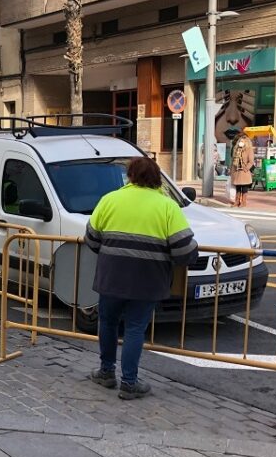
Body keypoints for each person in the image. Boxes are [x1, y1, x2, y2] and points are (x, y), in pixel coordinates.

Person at [85, 157, 199, 400]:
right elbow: (184, 251)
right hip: (148, 279)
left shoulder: (110, 200)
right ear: (156, 177)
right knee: (135, 328)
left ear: (130, 176)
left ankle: (106, 372)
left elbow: (92, 239)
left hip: (111, 277)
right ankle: (129, 383)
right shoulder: (167, 206)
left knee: (107, 323)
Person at [229, 132, 255, 207]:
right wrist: (231, 171)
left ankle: (243, 202)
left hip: (244, 172)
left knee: (244, 188)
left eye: (243, 141)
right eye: (240, 141)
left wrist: (246, 168)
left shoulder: (249, 149)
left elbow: (251, 161)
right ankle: (237, 201)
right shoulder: (236, 149)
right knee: (237, 187)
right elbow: (233, 160)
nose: (241, 142)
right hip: (236, 171)